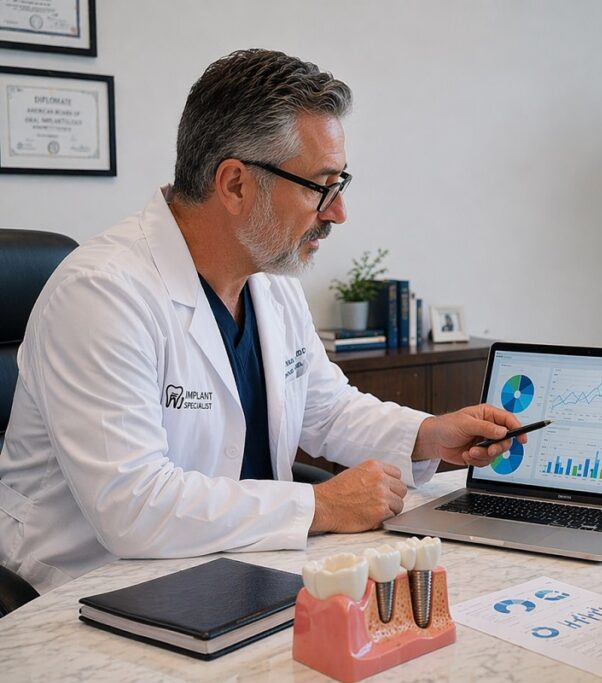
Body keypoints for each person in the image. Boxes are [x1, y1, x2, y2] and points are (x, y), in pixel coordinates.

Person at [0, 49, 522, 595]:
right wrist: (319, 504)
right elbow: (132, 507)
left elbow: (326, 408)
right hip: (90, 590)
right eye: (321, 186)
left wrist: (427, 436)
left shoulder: (270, 279)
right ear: (235, 185)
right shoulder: (102, 293)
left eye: (341, 183)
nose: (337, 211)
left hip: (237, 570)